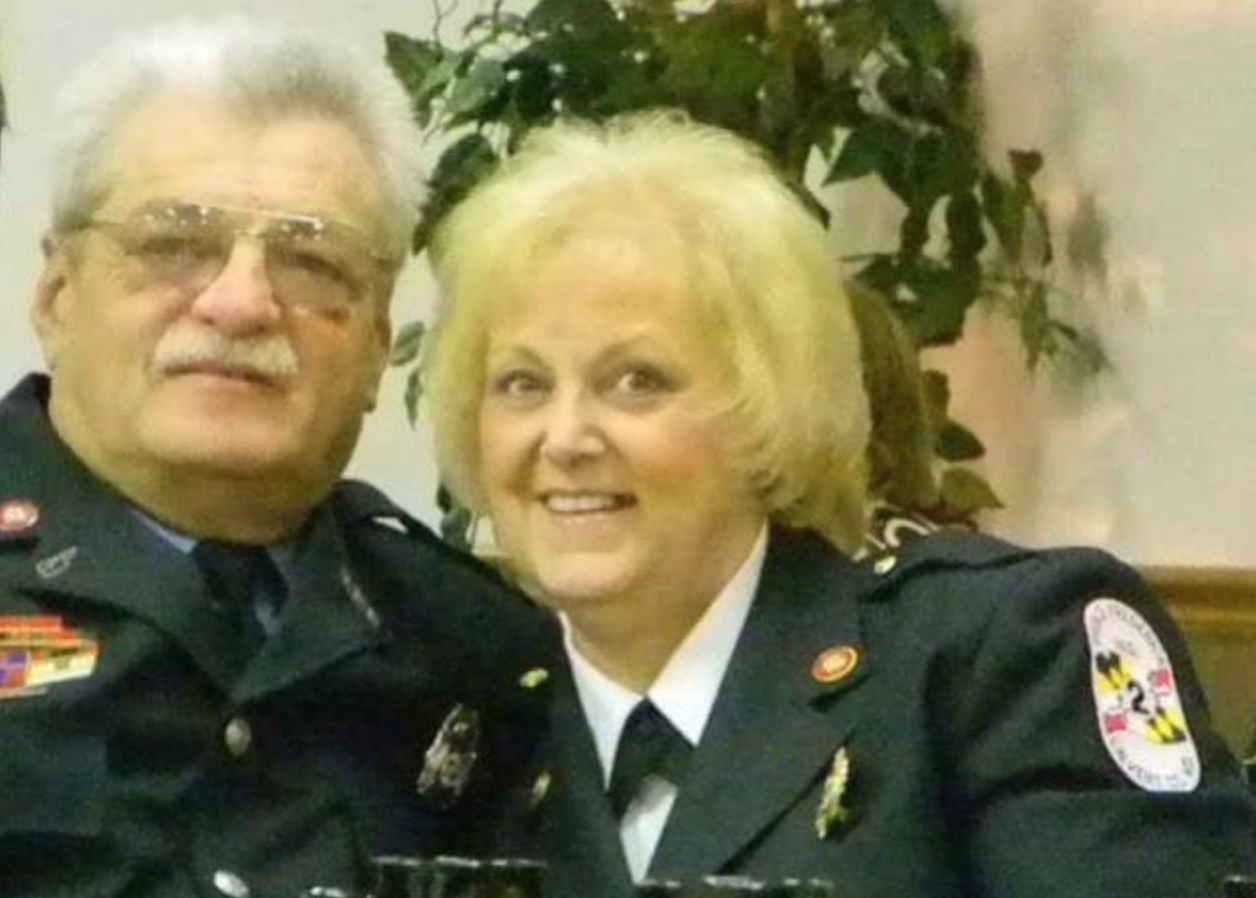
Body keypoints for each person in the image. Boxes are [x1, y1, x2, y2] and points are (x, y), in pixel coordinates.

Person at [421, 112, 1256, 898]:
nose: (565, 437)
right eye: (521, 384)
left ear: (767, 410)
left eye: (636, 381)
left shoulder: (996, 661)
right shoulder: (461, 732)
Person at [0, 19, 556, 898]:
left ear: (378, 344)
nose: (241, 302)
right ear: (57, 294)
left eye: (311, 262)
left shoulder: (470, 643)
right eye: (175, 245)